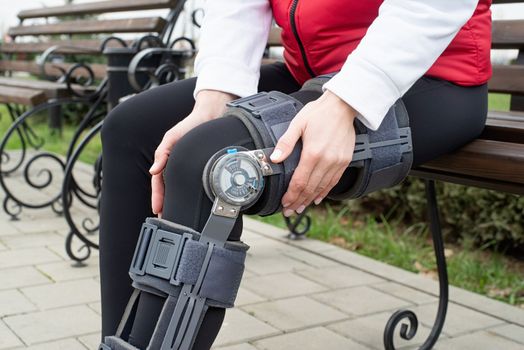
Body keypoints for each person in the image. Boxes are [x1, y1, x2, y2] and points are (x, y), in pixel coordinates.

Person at [100, 0, 491, 348]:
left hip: (427, 77)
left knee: (212, 163)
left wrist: (347, 101)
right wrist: (214, 98)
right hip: (312, 74)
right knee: (131, 129)